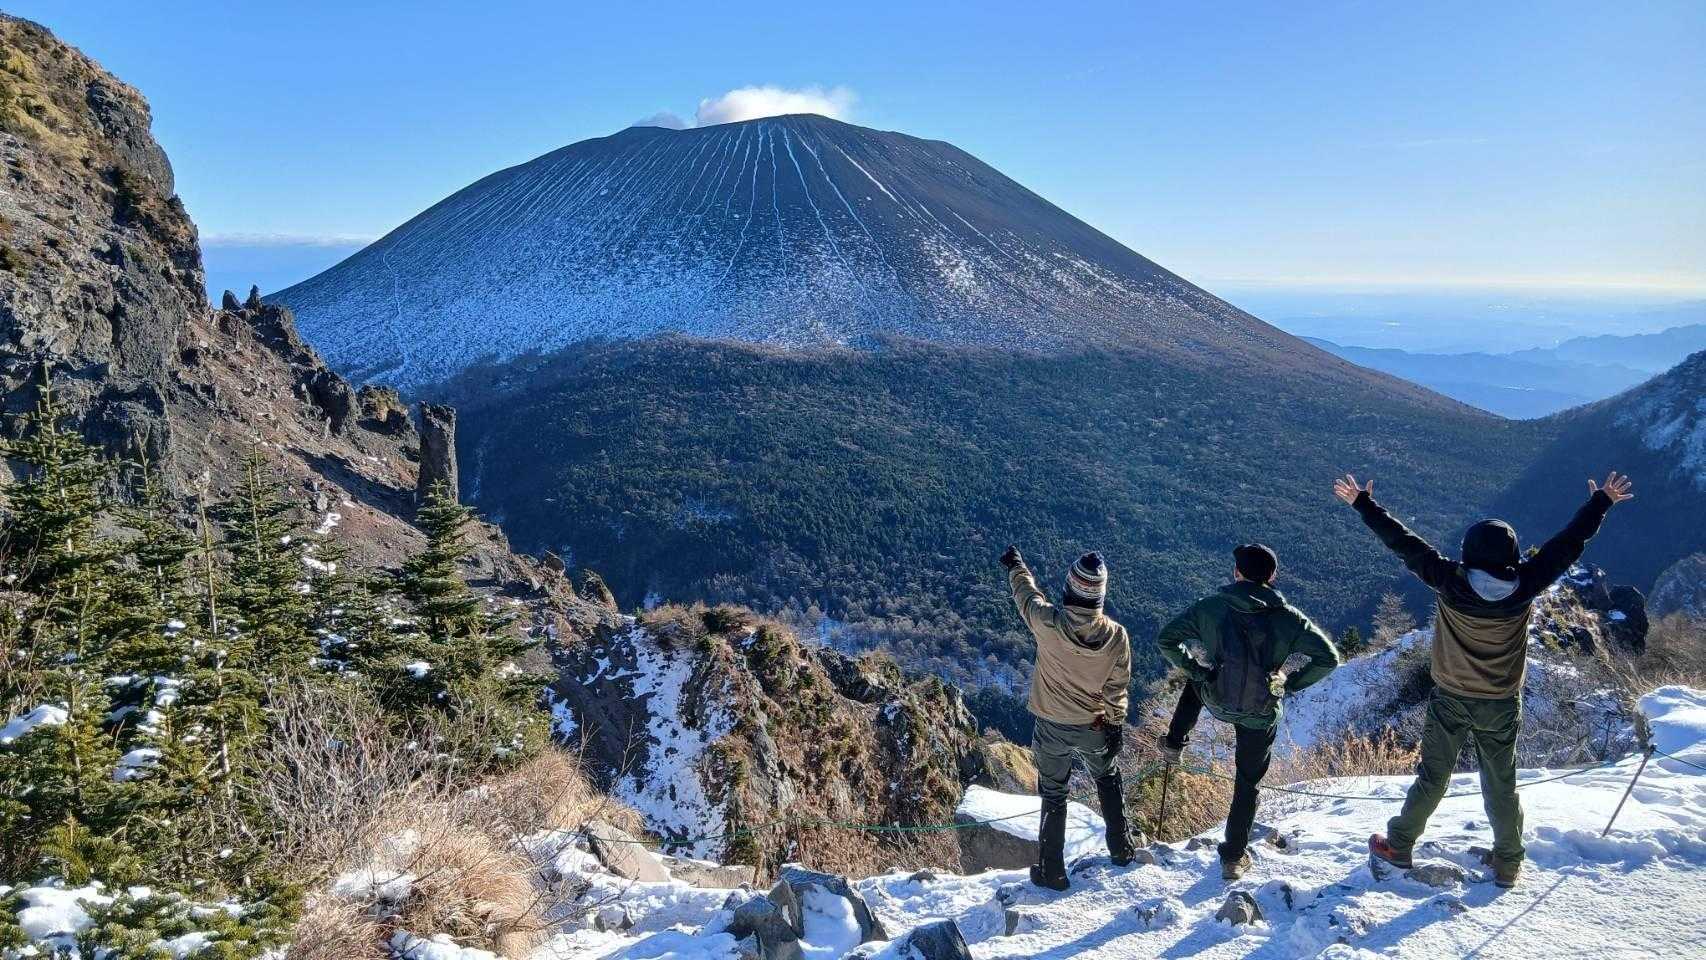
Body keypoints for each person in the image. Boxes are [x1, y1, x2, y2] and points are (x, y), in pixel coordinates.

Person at [1333, 470, 1634, 888]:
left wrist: (1363, 503)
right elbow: (1568, 544)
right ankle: (1508, 862)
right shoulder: (1528, 583)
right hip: (1501, 702)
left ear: (1468, 552)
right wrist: (1601, 502)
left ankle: (1399, 846)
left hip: (1451, 698)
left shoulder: (1449, 581)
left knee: (1433, 777)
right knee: (1500, 783)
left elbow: (1402, 542)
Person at [1155, 543, 1340, 881]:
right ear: (1272, 577)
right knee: (1247, 783)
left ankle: (1174, 742)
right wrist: (1289, 683)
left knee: (1198, 679)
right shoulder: (1289, 618)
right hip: (1261, 710)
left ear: (1236, 573)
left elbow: (1167, 640)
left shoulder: (1210, 607)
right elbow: (1329, 658)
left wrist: (1198, 670)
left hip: (1218, 698)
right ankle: (1233, 858)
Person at [1000, 545, 1135, 890]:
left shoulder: (1049, 624)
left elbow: (1026, 597)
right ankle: (1121, 847)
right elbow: (1117, 687)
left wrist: (1016, 566)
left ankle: (1053, 870)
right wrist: (1115, 723)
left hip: (1052, 726)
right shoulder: (1116, 636)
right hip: (1095, 724)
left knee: (1054, 793)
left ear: (1069, 589)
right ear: (1100, 595)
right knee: (1107, 777)